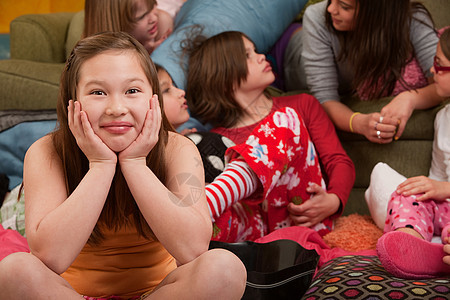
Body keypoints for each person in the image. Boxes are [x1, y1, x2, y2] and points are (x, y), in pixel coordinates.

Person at [0, 31, 246, 299]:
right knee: (15, 270)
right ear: (72, 101)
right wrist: (101, 165)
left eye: (132, 91)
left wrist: (135, 162)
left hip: (159, 293)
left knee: (224, 267)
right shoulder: (46, 152)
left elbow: (194, 249)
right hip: (71, 294)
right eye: (98, 92)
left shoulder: (177, 149)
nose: (116, 108)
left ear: (154, 99)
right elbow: (51, 258)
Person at [186, 31, 355, 242]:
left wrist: (334, 200)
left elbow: (338, 161)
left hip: (305, 218)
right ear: (225, 76)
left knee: (286, 119)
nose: (261, 56)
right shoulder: (217, 141)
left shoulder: (300, 106)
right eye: (248, 55)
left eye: (256, 50)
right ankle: (185, 218)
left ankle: (208, 202)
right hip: (256, 238)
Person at [284, 0, 445, 144]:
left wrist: (409, 98)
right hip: (289, 55)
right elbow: (325, 99)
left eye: (345, 6)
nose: (331, 9)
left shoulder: (412, 18)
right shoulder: (317, 17)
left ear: (376, 12)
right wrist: (357, 122)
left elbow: (443, 81)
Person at [376, 28, 450, 279]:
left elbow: (443, 186)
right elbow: (436, 178)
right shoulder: (443, 117)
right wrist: (430, 187)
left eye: (439, 65)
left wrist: (445, 188)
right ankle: (410, 245)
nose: (431, 71)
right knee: (408, 193)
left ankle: (441, 257)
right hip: (446, 211)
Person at [83, 0, 173, 54]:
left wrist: (158, 55)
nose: (153, 18)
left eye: (153, 7)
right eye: (142, 16)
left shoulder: (161, 21)